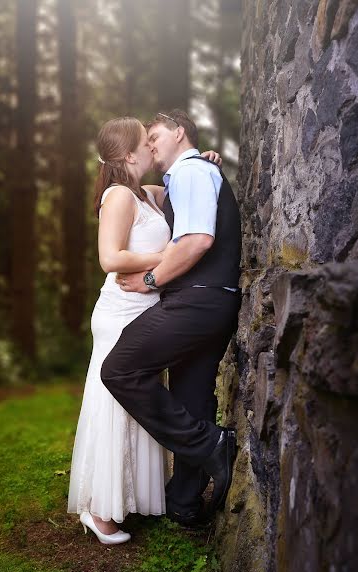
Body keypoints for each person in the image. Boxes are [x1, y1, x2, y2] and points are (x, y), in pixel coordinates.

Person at [67, 115, 222, 544]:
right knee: (115, 403)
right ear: (130, 153)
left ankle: (123, 498)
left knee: (137, 401)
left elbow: (182, 193)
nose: (153, 149)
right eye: (145, 143)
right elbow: (110, 259)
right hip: (122, 308)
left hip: (146, 308)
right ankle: (100, 511)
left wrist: (205, 160)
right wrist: (164, 259)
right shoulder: (118, 196)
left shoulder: (148, 193)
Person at [101, 109, 242, 528]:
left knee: (120, 368)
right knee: (192, 399)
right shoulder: (178, 178)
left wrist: (151, 279)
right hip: (211, 302)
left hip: (197, 301)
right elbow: (134, 193)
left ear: (180, 133)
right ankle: (184, 504)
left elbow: (199, 240)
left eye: (156, 135)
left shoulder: (190, 172)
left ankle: (212, 443)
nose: (150, 143)